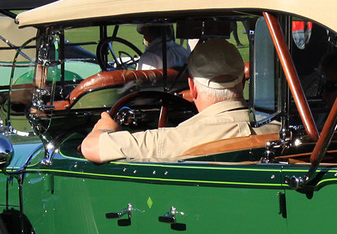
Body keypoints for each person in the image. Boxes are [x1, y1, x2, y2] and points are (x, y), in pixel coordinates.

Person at [80, 40, 255, 163]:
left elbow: (91, 147)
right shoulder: (276, 127)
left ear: (192, 87)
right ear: (242, 82)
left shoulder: (174, 140)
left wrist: (105, 126)